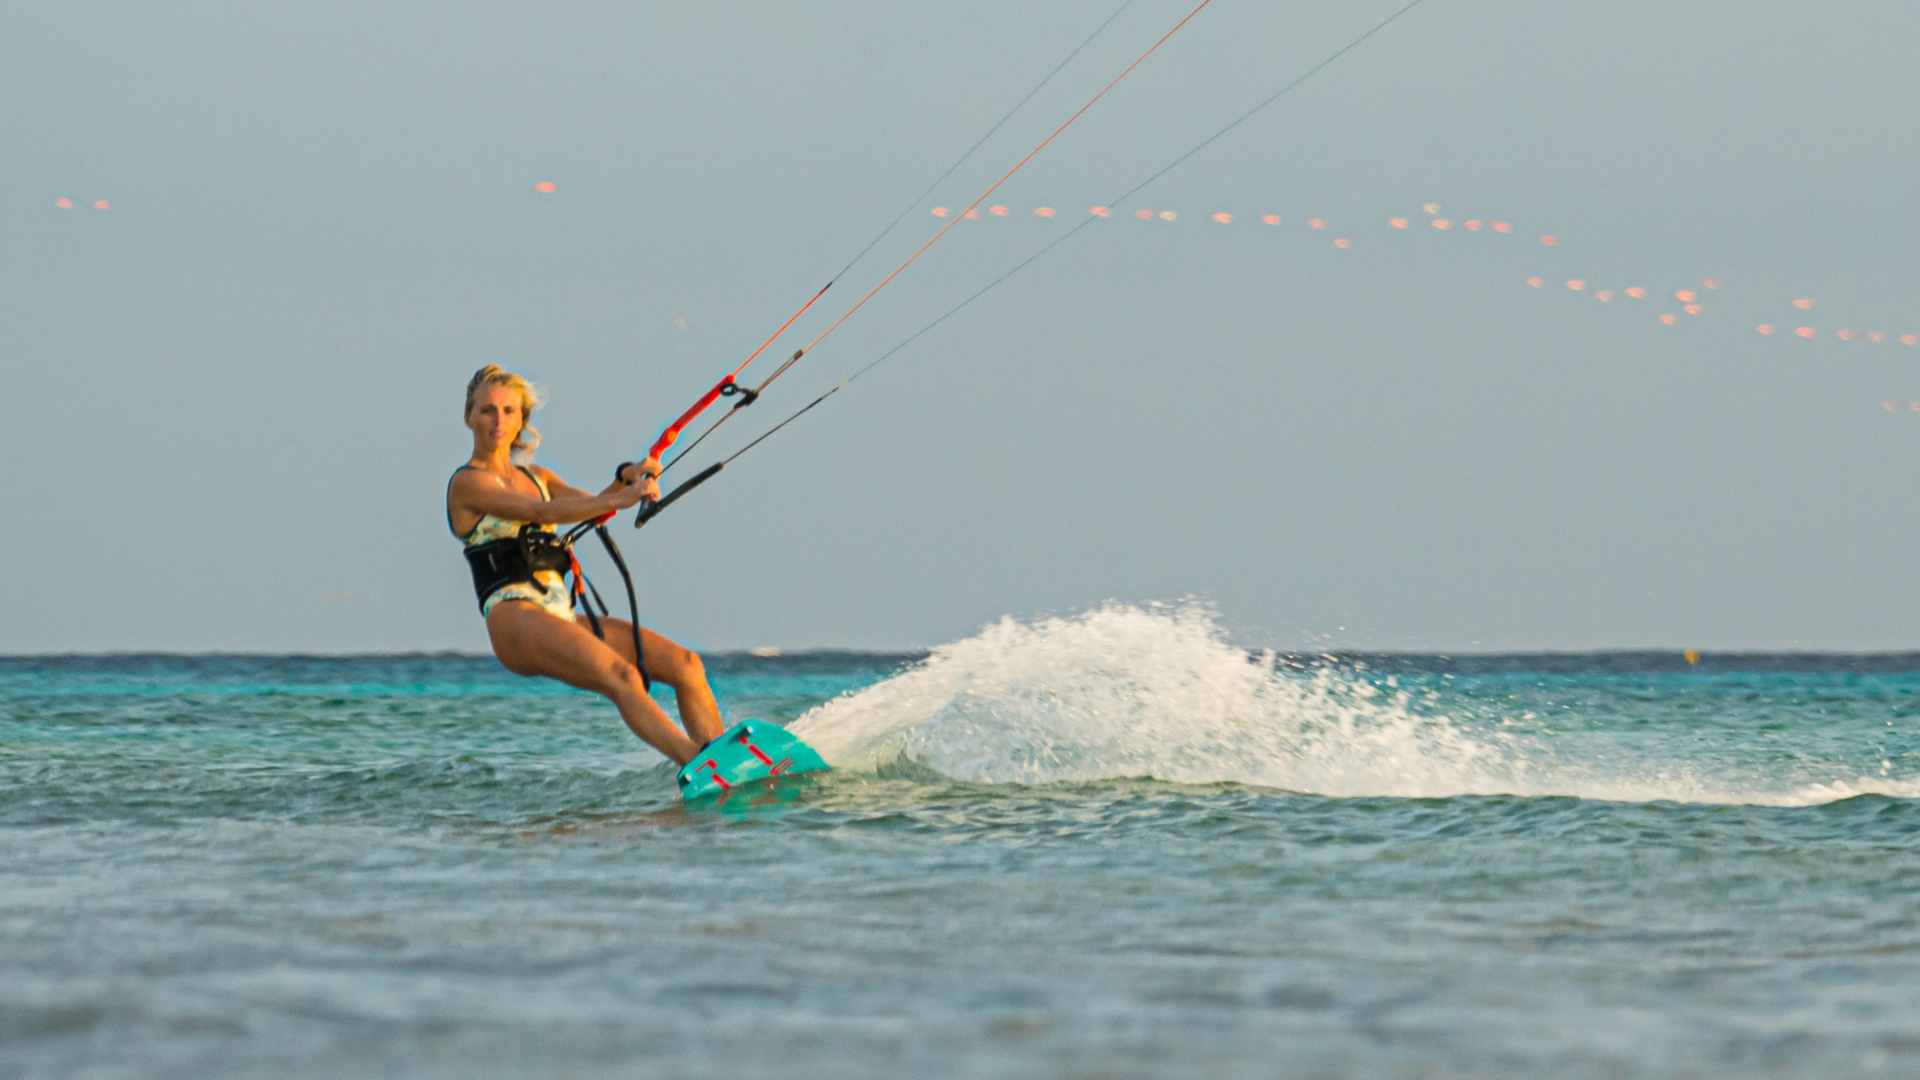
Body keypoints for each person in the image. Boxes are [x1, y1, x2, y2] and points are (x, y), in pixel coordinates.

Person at [446, 364, 724, 765]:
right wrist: (618, 498)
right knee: (623, 677)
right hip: (513, 618)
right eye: (487, 410)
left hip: (558, 615)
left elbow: (588, 507)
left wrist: (628, 477)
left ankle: (727, 762)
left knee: (686, 665)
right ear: (469, 417)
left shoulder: (538, 475)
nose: (498, 421)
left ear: (522, 418)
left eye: (509, 411)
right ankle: (699, 762)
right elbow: (538, 511)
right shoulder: (467, 483)